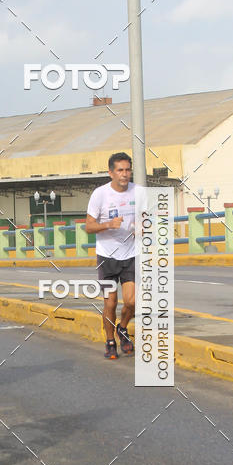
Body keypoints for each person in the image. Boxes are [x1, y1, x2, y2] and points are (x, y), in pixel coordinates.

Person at [85, 152, 136, 359]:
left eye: (127, 170)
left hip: (132, 253)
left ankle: (122, 328)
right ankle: (109, 340)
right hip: (107, 256)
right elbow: (88, 227)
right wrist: (108, 224)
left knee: (132, 302)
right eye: (120, 170)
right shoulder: (100, 194)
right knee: (110, 303)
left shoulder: (138, 192)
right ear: (111, 173)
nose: (124, 174)